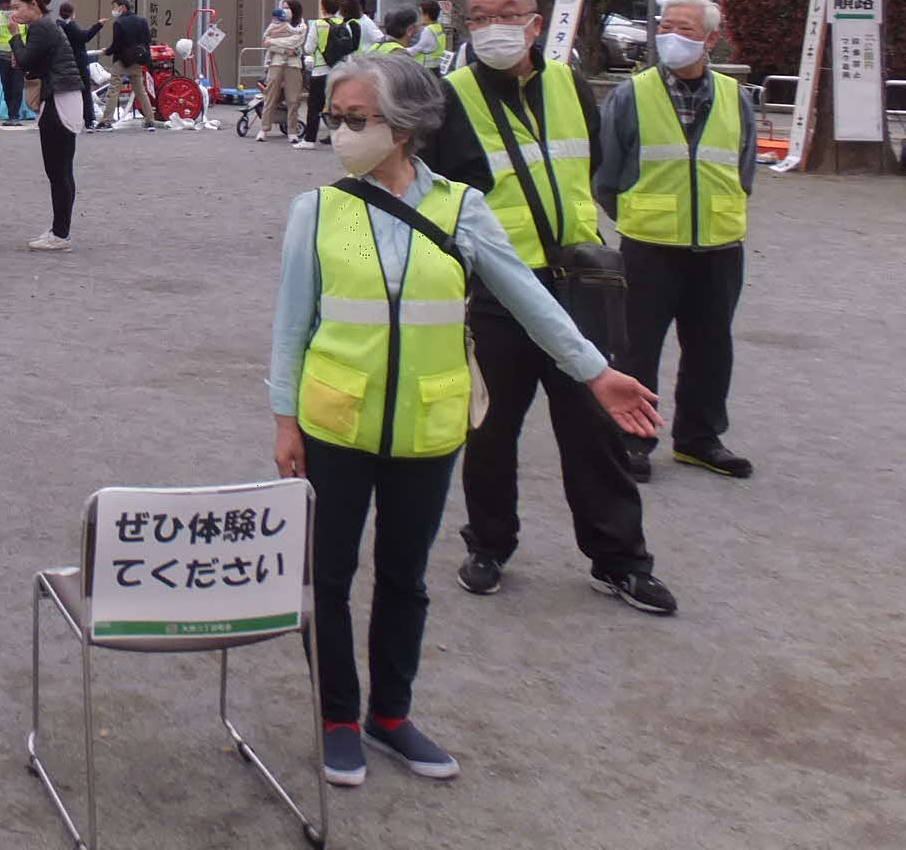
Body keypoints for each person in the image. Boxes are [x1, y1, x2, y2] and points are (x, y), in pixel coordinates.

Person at [270, 51, 660, 789]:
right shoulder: (316, 211)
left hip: (428, 426)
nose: (341, 133)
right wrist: (285, 419)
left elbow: (529, 298)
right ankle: (337, 718)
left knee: (405, 578)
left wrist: (595, 371)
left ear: (405, 127)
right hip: (335, 427)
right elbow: (292, 326)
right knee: (329, 577)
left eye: (358, 119)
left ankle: (391, 714)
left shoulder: (461, 207)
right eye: (334, 118)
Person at [429, 0, 676, 615]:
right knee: (489, 432)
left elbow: (587, 167)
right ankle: (488, 544)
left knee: (595, 428)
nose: (494, 28)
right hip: (496, 293)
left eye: (508, 13)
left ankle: (619, 560)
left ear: (536, 22)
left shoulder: (570, 85)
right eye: (479, 18)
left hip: (580, 287)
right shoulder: (448, 97)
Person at [595, 0, 757, 482]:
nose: (671, 36)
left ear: (710, 39)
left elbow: (743, 169)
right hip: (649, 245)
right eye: (665, 26)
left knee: (711, 345)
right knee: (638, 347)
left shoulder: (735, 96)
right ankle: (633, 440)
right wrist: (640, 213)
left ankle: (700, 439)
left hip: (719, 245)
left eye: (685, 29)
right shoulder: (631, 95)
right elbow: (606, 174)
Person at [8, 0, 86, 251]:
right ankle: (59, 230)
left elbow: (27, 60)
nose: (13, 13)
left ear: (33, 5)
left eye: (17, 7)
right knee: (63, 170)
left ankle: (61, 235)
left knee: (57, 172)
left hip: (58, 99)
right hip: (65, 96)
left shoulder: (40, 27)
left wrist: (15, 37)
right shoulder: (48, 26)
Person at [294, 0, 359, 149]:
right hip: (339, 71)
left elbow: (308, 48)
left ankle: (309, 140)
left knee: (315, 106)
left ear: (323, 7)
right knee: (336, 106)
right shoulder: (345, 23)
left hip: (320, 71)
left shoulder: (318, 24)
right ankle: (341, 138)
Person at [101, 0, 156, 130]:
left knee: (114, 90)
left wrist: (106, 52)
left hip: (121, 61)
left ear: (122, 7)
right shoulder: (142, 20)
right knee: (140, 91)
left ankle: (106, 120)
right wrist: (146, 59)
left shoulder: (119, 23)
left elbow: (116, 45)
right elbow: (147, 41)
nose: (113, 10)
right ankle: (150, 120)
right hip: (137, 60)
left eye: (114, 7)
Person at [257, 0, 306, 140]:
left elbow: (297, 41)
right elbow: (266, 41)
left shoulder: (301, 25)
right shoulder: (275, 23)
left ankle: (292, 131)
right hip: (275, 63)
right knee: (270, 96)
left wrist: (275, 42)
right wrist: (284, 48)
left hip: (294, 65)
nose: (285, 10)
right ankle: (264, 129)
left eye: (288, 8)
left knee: (293, 99)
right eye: (283, 8)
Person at [54, 0, 100, 130]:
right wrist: (98, 25)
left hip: (63, 63)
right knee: (85, 91)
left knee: (65, 92)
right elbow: (84, 36)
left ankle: (63, 118)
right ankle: (89, 120)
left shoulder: (57, 25)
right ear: (72, 13)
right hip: (78, 63)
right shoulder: (72, 26)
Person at [0, 1, 30, 124]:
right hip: (3, 58)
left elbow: (29, 35)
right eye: (5, 6)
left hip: (19, 58)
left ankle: (14, 116)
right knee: (7, 87)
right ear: (2, 6)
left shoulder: (22, 18)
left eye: (10, 6)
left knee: (17, 87)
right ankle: (11, 115)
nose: (8, 8)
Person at [412, 0, 449, 73]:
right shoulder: (438, 27)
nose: (420, 16)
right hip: (436, 69)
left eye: (421, 13)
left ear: (427, 15)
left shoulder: (428, 31)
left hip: (426, 71)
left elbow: (417, 49)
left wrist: (401, 51)